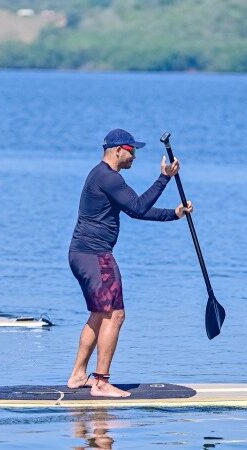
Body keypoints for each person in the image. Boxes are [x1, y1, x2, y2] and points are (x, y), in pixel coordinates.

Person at [67, 128, 193, 397]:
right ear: (117, 150)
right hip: (96, 256)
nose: (134, 155)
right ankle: (101, 382)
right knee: (115, 315)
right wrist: (164, 178)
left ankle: (78, 375)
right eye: (132, 150)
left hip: (82, 254)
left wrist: (174, 214)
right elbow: (137, 206)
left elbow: (136, 210)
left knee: (99, 314)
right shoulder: (107, 177)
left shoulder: (101, 176)